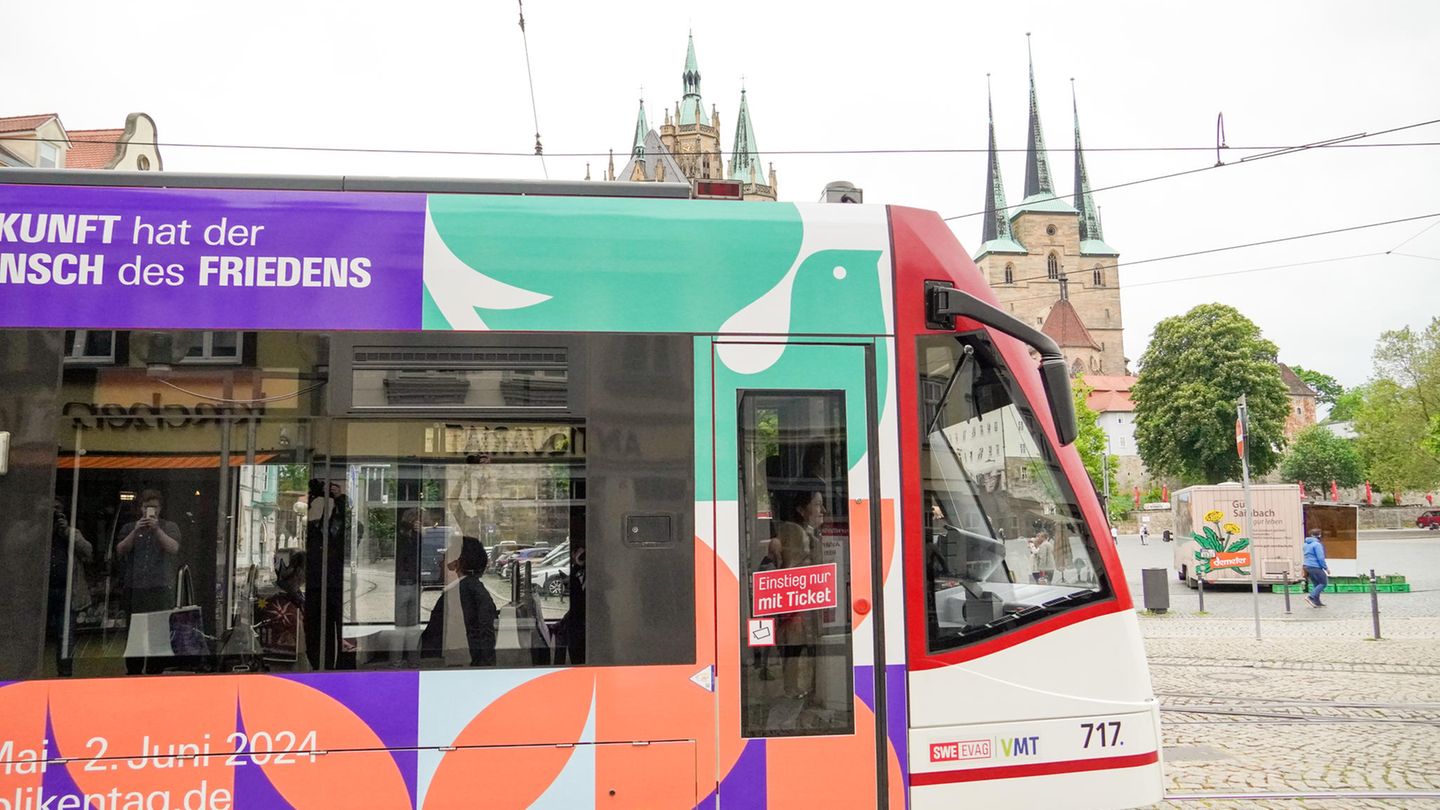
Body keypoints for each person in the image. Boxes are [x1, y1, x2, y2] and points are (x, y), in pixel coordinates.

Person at [117, 489, 182, 675]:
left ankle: (155, 673)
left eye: (154, 507)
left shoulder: (169, 527)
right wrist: (136, 531)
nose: (150, 511)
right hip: (135, 590)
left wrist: (157, 530)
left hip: (159, 589)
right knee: (134, 636)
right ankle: (134, 673)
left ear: (160, 509)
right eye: (146, 507)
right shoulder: (130, 528)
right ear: (140, 508)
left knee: (158, 636)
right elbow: (120, 550)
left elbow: (174, 548)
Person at [774, 482, 826, 701]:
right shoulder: (795, 532)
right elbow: (795, 572)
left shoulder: (803, 532)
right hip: (798, 607)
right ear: (801, 509)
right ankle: (797, 691)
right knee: (798, 651)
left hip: (799, 607)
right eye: (817, 505)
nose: (823, 511)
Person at [421, 536, 498, 667]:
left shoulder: (455, 595)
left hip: (459, 666)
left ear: (457, 564)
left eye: (445, 557)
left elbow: (435, 641)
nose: (440, 563)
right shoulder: (477, 590)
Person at [47, 499, 93, 676]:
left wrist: (65, 531)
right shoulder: (39, 532)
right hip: (42, 594)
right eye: (50, 508)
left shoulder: (71, 533)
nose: (53, 512)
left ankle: (65, 674)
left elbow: (88, 551)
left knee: (65, 637)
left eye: (57, 508)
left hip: (67, 593)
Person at [1302, 528, 1329, 608]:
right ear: (1319, 535)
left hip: (1307, 566)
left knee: (1316, 584)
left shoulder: (1306, 544)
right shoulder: (1317, 544)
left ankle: (1317, 602)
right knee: (1324, 583)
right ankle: (1310, 597)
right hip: (1315, 566)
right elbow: (1320, 558)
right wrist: (1325, 567)